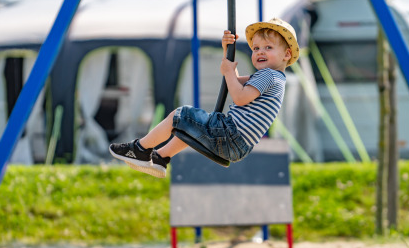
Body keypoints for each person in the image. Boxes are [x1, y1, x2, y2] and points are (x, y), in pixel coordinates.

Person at [109, 17, 299, 178]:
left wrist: (228, 72)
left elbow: (240, 96)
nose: (260, 52)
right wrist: (227, 53)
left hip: (230, 134)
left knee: (181, 115)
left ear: (286, 54)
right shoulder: (275, 78)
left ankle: (140, 149)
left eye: (268, 47)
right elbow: (233, 79)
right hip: (238, 145)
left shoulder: (268, 76)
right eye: (256, 48)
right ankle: (160, 158)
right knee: (192, 128)